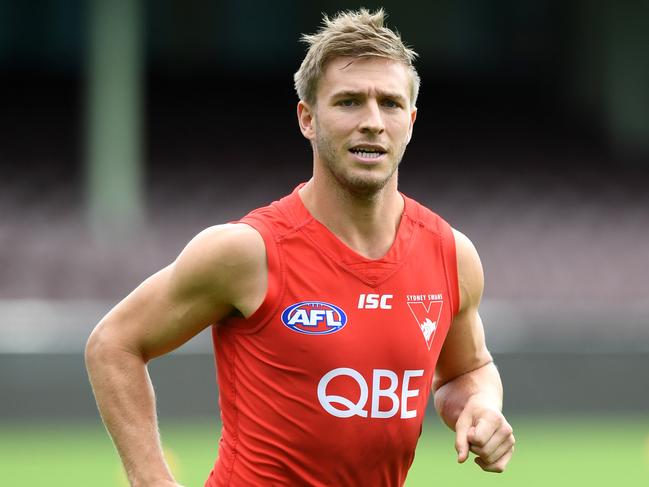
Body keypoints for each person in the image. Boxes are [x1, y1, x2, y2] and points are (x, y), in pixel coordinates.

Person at [86, 8, 515, 487]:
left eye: (390, 104)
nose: (373, 121)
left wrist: (481, 405)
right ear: (307, 118)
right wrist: (152, 482)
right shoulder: (247, 252)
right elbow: (113, 344)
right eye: (350, 102)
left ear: (411, 121)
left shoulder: (450, 255)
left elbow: (468, 370)